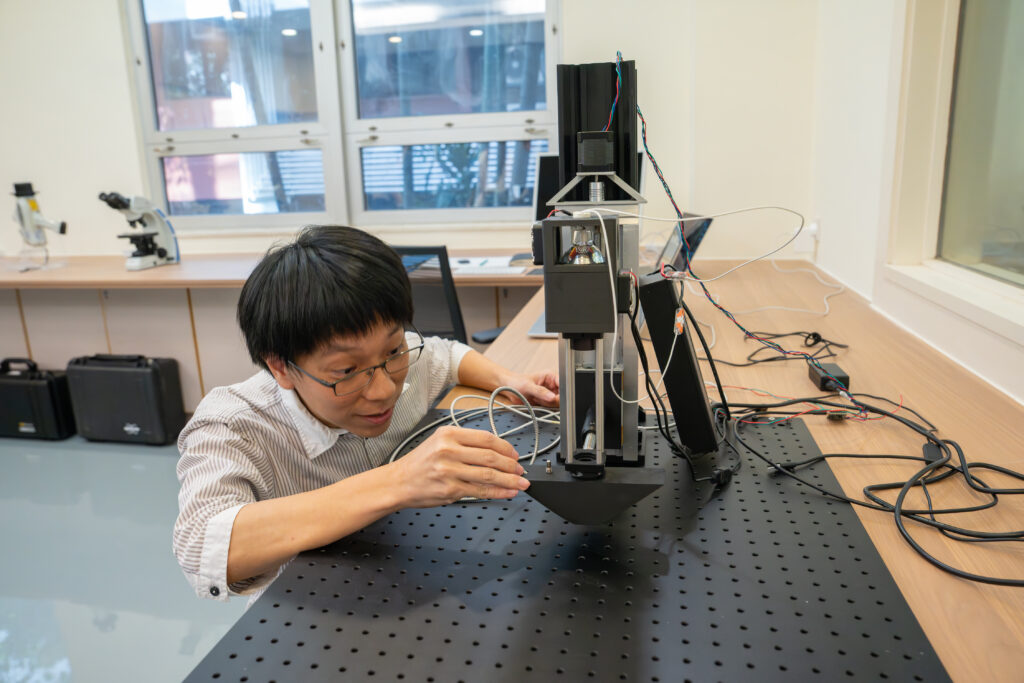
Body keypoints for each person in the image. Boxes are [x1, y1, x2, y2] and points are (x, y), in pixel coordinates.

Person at [173, 225, 558, 602]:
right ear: (280, 368)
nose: (384, 389)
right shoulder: (231, 426)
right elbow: (201, 547)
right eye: (346, 372)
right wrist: (399, 482)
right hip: (316, 614)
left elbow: (447, 353)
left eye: (392, 352)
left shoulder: (404, 356)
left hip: (406, 570)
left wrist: (511, 380)